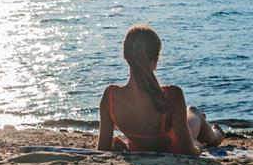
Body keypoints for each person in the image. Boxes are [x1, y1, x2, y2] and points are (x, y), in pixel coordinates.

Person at [96, 24, 226, 155]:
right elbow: (188, 151)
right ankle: (216, 134)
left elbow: (102, 150)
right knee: (193, 112)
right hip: (172, 147)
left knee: (192, 116)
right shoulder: (173, 95)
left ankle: (206, 129)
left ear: (126, 57)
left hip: (137, 147)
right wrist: (199, 147)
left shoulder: (110, 97)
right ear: (156, 59)